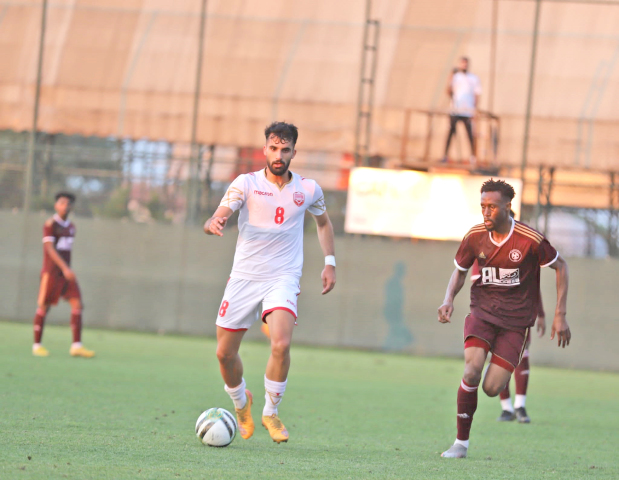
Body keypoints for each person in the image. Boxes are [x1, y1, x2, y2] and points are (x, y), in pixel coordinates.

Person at [204, 121, 336, 443]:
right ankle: (241, 405)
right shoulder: (246, 183)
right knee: (224, 354)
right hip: (245, 276)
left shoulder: (308, 189)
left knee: (281, 343)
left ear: (293, 152)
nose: (279, 155)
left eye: (285, 149)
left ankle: (271, 412)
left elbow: (323, 223)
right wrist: (214, 220)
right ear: (265, 149)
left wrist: (329, 262)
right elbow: (224, 209)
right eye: (273, 148)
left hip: (283, 276)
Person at [437, 179, 570, 458]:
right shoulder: (474, 236)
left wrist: (560, 315)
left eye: (492, 207)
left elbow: (561, 266)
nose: (486, 212)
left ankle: (501, 390)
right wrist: (448, 298)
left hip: (515, 324)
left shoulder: (529, 239)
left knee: (491, 388)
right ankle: (461, 444)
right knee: (471, 370)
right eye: (483, 206)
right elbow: (460, 270)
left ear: (508, 207)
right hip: (482, 314)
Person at [470, 259, 545, 424]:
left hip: (519, 314)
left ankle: (520, 406)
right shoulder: (482, 250)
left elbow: (532, 285)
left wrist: (541, 313)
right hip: (493, 316)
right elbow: (478, 286)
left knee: (522, 355)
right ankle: (506, 408)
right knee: (498, 358)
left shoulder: (520, 249)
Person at [33, 192, 95, 358]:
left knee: (77, 304)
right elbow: (49, 248)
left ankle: (76, 346)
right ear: (56, 205)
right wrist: (64, 268)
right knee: (44, 307)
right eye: (62, 203)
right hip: (52, 273)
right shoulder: (50, 224)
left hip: (66, 275)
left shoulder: (71, 227)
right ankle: (37, 345)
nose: (65, 206)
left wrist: (67, 270)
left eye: (68, 203)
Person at [442, 57, 481, 165]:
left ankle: (473, 157)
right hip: (455, 110)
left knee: (470, 134)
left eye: (466, 64)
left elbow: (476, 95)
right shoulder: (455, 77)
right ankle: (445, 155)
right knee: (451, 132)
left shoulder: (473, 78)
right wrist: (450, 78)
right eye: (462, 64)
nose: (464, 66)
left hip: (467, 110)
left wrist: (474, 110)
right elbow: (448, 91)